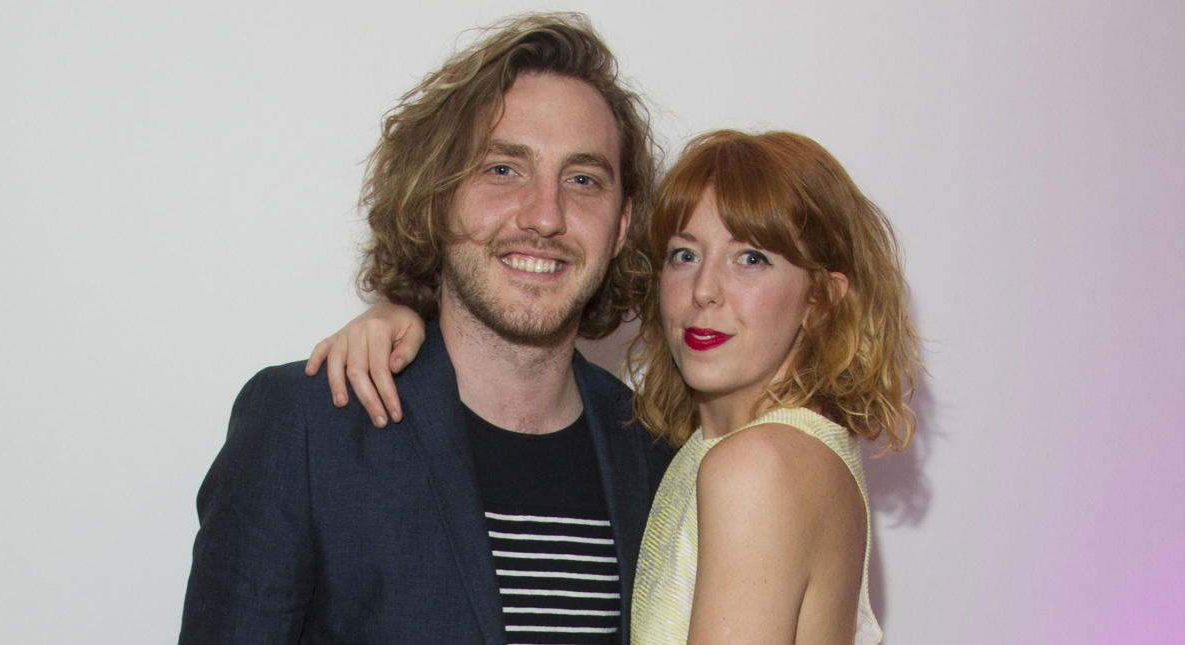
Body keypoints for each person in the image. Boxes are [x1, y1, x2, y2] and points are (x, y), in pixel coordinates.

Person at [179, 13, 673, 644]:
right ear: (438, 193)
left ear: (623, 223)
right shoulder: (307, 426)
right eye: (504, 168)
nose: (545, 216)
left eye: (582, 180)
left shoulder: (653, 451)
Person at [313, 130, 920, 643]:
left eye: (752, 258)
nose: (705, 289)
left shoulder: (758, 466)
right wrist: (401, 316)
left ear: (821, 298)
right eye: (685, 255)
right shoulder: (749, 454)